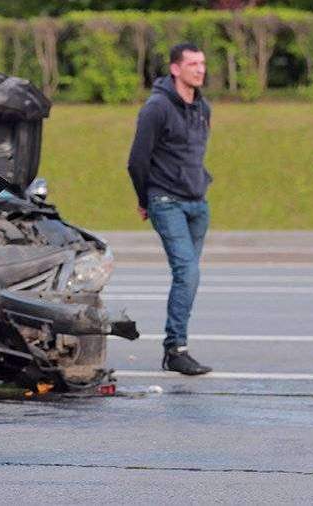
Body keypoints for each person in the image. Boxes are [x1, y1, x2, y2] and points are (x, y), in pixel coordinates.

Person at [126, 42, 213, 376]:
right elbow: (136, 161)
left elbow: (193, 153)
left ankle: (177, 344)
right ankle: (175, 349)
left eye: (202, 63)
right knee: (187, 272)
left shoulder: (203, 107)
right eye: (193, 64)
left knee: (187, 278)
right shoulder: (156, 108)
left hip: (197, 203)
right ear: (176, 68)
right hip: (166, 200)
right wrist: (144, 200)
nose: (200, 69)